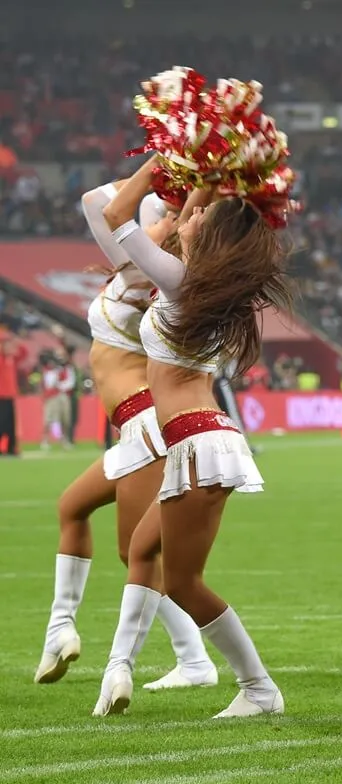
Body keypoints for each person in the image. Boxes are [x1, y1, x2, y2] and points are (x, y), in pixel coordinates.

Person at [93, 155, 287, 718]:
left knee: (183, 581)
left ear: (214, 235)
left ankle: (258, 688)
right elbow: (190, 214)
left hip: (197, 444)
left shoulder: (180, 280)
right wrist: (206, 167)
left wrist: (168, 155)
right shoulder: (197, 283)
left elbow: (114, 210)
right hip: (197, 441)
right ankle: (118, 669)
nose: (187, 216)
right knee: (140, 549)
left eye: (200, 216)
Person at [35, 181, 217, 690]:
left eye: (159, 217)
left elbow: (100, 203)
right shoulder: (135, 269)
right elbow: (98, 201)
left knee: (137, 554)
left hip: (145, 423)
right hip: (132, 427)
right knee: (72, 507)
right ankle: (60, 629)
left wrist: (170, 164)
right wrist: (175, 160)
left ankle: (193, 661)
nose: (144, 223)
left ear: (176, 231)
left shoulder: (149, 273)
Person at [0, 328, 20, 456]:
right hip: (1, 396)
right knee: (2, 423)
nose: (9, 347)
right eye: (6, 344)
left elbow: (23, 352)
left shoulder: (11, 359)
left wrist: (14, 340)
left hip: (10, 396)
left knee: (11, 424)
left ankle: (11, 448)